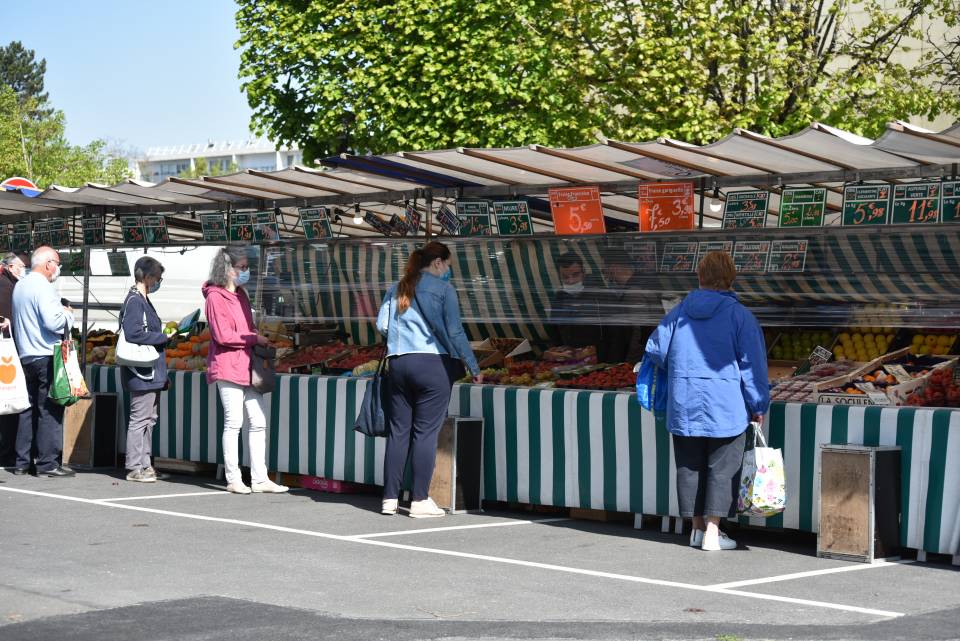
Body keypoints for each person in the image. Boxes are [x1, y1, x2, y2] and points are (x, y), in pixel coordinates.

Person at [643, 251, 769, 551]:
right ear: (730, 279)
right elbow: (752, 365)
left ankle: (696, 530)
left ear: (699, 277)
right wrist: (758, 403)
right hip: (726, 405)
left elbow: (656, 350)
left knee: (689, 466)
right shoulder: (740, 316)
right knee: (722, 467)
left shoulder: (678, 313)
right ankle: (713, 532)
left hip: (683, 402)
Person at [376, 241, 482, 518]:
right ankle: (420, 499)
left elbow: (382, 325)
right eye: (448, 264)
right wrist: (473, 365)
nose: (448, 270)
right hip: (432, 365)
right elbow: (455, 332)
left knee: (399, 432)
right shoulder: (444, 289)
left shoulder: (397, 287)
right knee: (425, 433)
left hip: (398, 363)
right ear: (438, 263)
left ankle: (389, 498)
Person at [203, 246, 288, 495]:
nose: (245, 271)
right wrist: (254, 339)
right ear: (226, 269)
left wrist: (254, 337)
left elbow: (245, 329)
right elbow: (223, 335)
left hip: (248, 366)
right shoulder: (215, 297)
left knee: (259, 421)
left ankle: (260, 478)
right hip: (228, 366)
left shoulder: (242, 295)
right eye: (241, 267)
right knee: (234, 422)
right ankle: (234, 477)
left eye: (245, 267)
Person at [11, 246, 75, 477]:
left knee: (27, 410)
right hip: (45, 354)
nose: (58, 268)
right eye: (57, 263)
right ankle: (48, 464)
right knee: (49, 409)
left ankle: (22, 462)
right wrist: (68, 313)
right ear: (48, 264)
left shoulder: (21, 285)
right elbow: (54, 322)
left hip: (25, 355)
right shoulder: (43, 287)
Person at [120, 257, 170, 483]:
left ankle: (145, 464)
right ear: (147, 277)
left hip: (150, 370)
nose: (158, 282)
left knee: (149, 419)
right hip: (142, 371)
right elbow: (133, 333)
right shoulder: (135, 301)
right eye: (157, 277)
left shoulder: (142, 299)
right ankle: (134, 467)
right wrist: (163, 337)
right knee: (140, 419)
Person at [597, 247, 654, 365]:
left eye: (605, 268)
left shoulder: (633, 292)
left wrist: (631, 362)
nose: (604, 273)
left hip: (640, 358)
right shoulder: (639, 283)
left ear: (614, 267)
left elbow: (639, 332)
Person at [547, 252, 603, 349]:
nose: (571, 281)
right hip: (570, 357)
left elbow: (612, 334)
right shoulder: (559, 298)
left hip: (598, 356)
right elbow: (554, 331)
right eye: (565, 277)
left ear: (584, 273)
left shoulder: (597, 296)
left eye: (575, 275)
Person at [0, 253, 22, 467]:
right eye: (20, 266)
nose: (21, 270)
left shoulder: (9, 283)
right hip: (6, 354)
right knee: (8, 405)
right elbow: (6, 320)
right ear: (9, 266)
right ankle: (6, 451)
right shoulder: (6, 286)